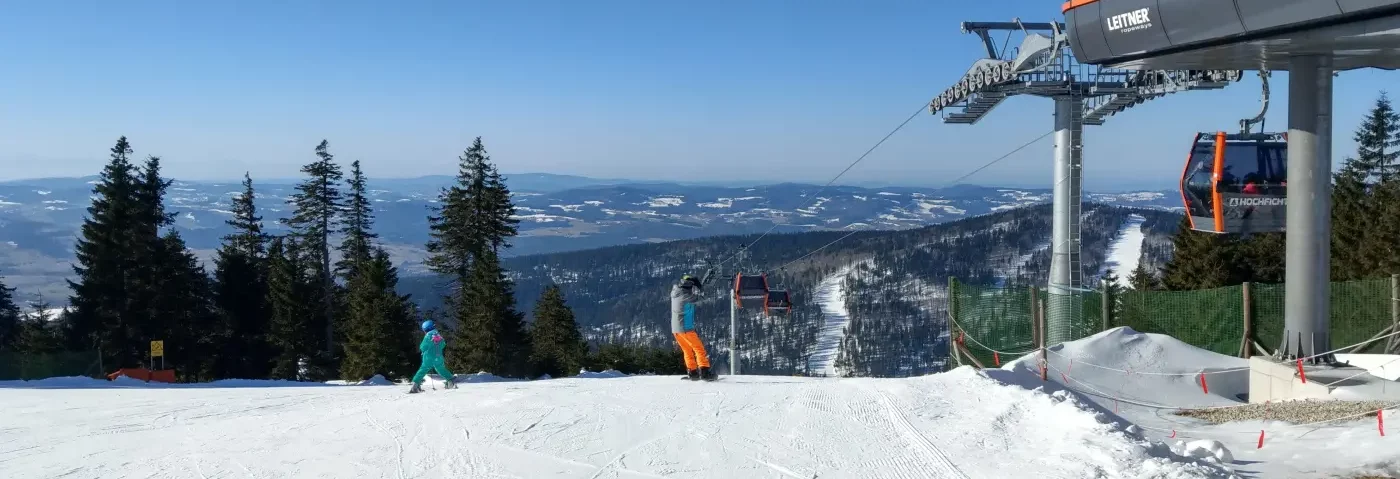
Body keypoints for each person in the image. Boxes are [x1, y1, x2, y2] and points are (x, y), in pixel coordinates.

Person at [671, 267, 716, 381]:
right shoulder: (686, 297)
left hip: (676, 330)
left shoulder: (676, 292)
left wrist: (693, 283)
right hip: (685, 328)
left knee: (687, 350)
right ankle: (704, 372)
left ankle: (693, 373)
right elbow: (704, 297)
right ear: (689, 287)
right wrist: (700, 286)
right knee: (698, 349)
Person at [409, 320, 456, 393]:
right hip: (438, 356)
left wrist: (424, 350)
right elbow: (443, 344)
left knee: (423, 370)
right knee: (441, 369)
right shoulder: (438, 335)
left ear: (425, 329)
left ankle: (415, 385)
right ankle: (450, 381)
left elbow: (423, 346)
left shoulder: (428, 336)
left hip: (428, 357)